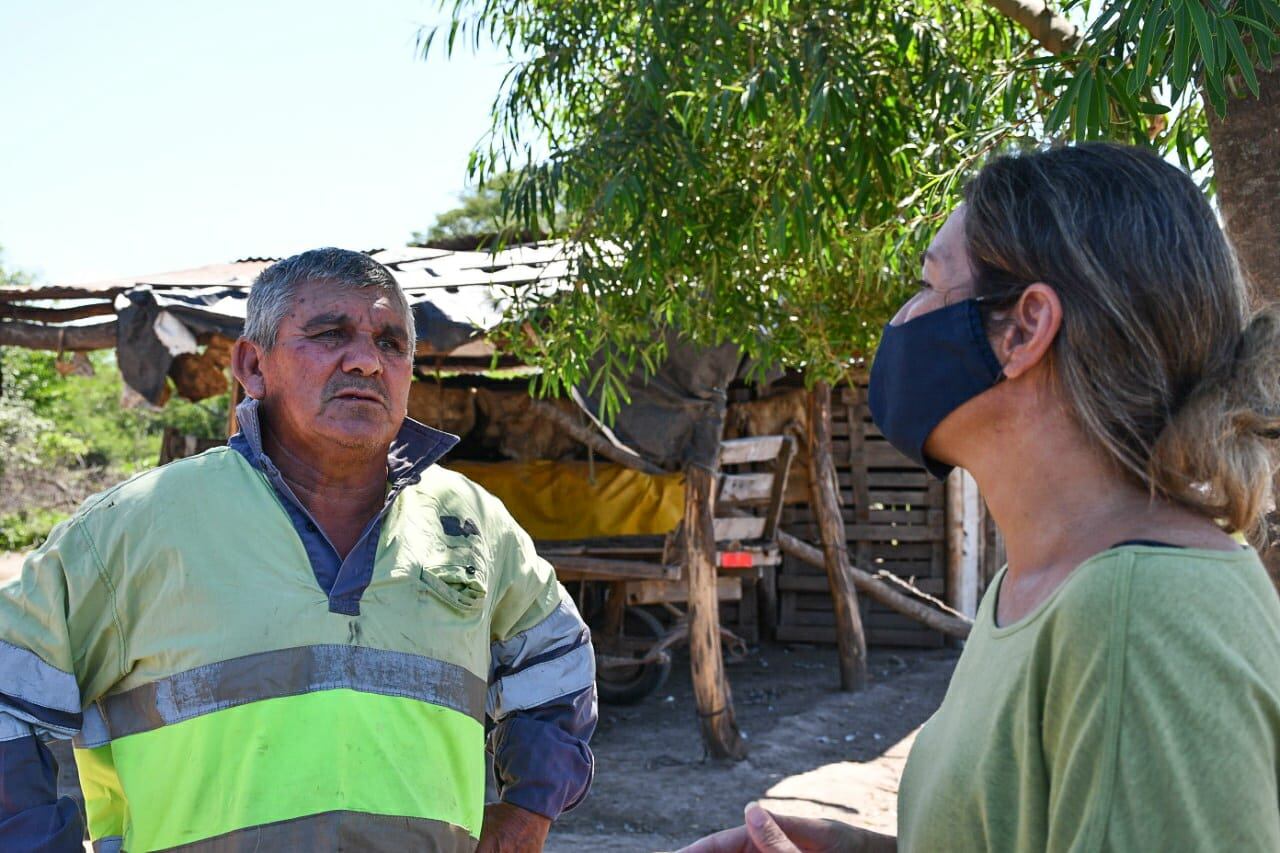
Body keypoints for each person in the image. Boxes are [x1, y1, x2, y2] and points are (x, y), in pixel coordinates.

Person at [681, 143, 1280, 852]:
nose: (905, 316)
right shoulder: (1041, 585)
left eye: (932, 287)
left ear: (1024, 328)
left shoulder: (1139, 615)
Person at [0, 248, 597, 852]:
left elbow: (557, 660)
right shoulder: (135, 526)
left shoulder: (468, 520)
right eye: (330, 333)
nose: (366, 361)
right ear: (254, 366)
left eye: (391, 344)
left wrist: (527, 810)